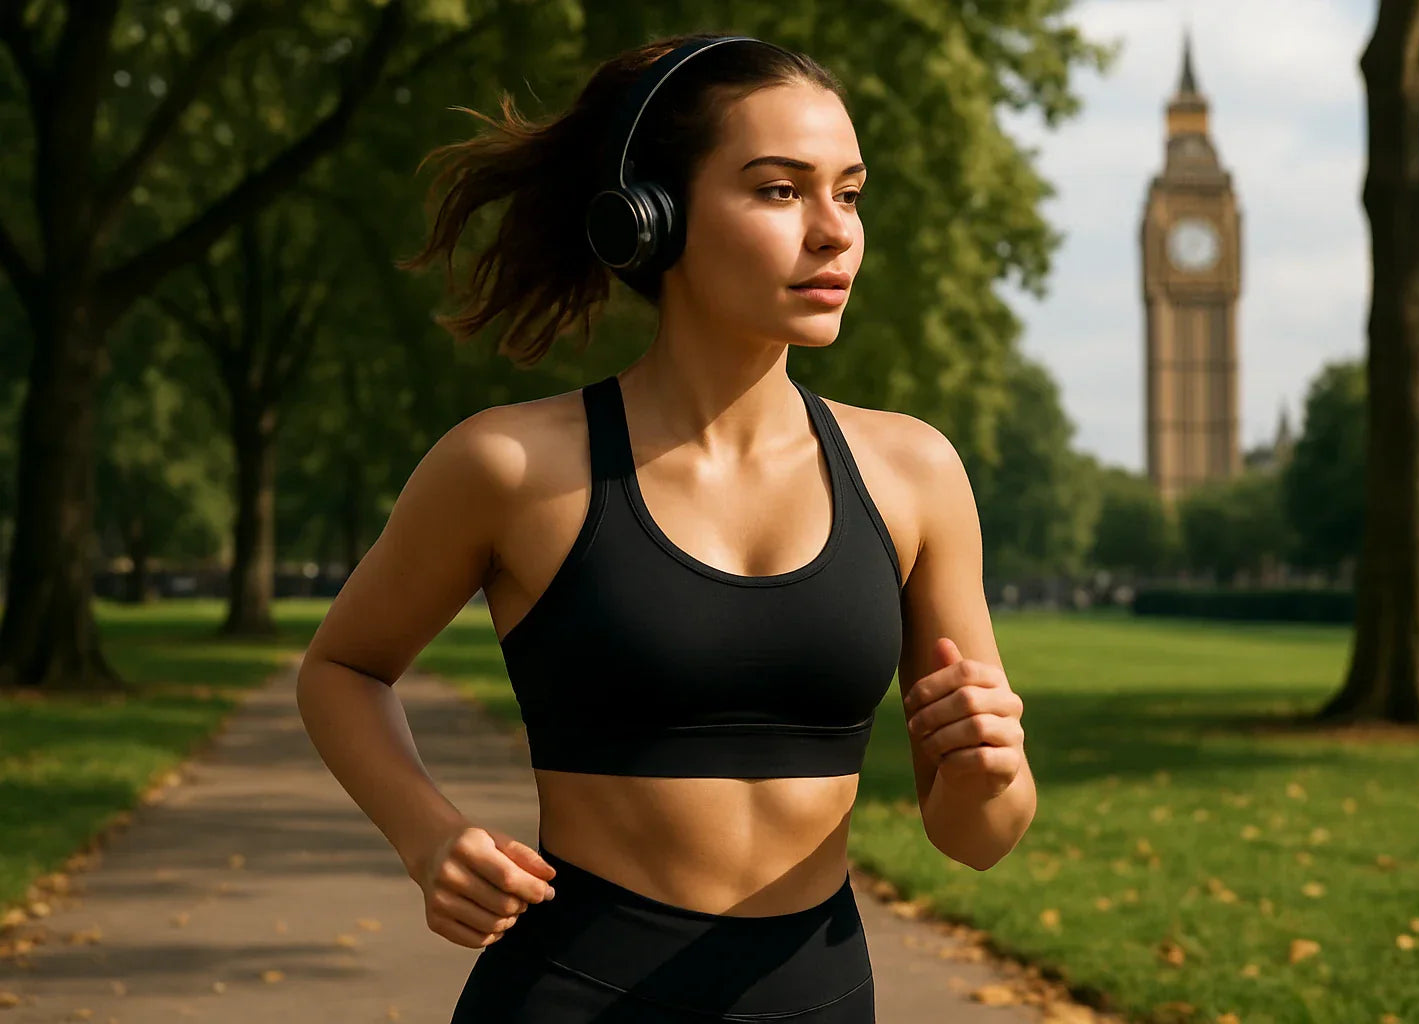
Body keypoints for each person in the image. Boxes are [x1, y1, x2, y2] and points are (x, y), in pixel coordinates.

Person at [296, 29, 1035, 1023]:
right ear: (651, 218)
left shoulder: (914, 473)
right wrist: (428, 837)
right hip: (569, 994)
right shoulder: (511, 467)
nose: (834, 231)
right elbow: (342, 667)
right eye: (781, 190)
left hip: (818, 997)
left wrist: (993, 766)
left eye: (849, 193)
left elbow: (978, 835)